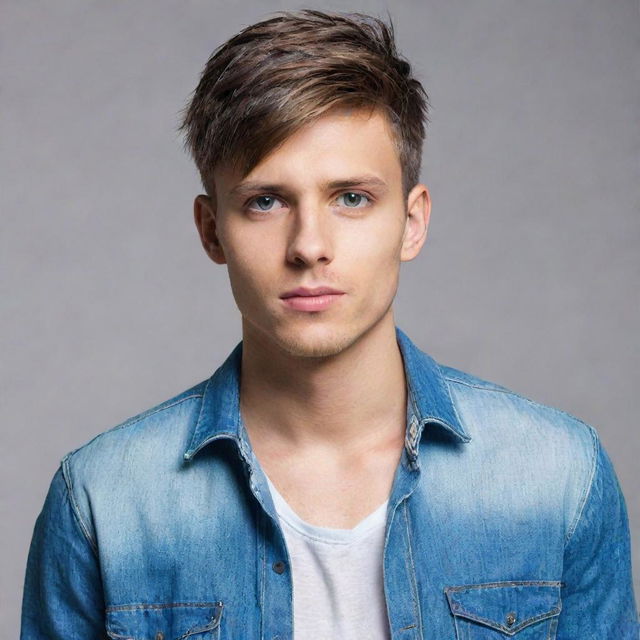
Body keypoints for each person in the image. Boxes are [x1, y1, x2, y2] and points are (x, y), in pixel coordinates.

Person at [20, 9, 638, 640]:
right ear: (212, 231)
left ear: (412, 221)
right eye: (266, 201)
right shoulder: (104, 500)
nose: (309, 246)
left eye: (351, 198)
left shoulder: (556, 478)